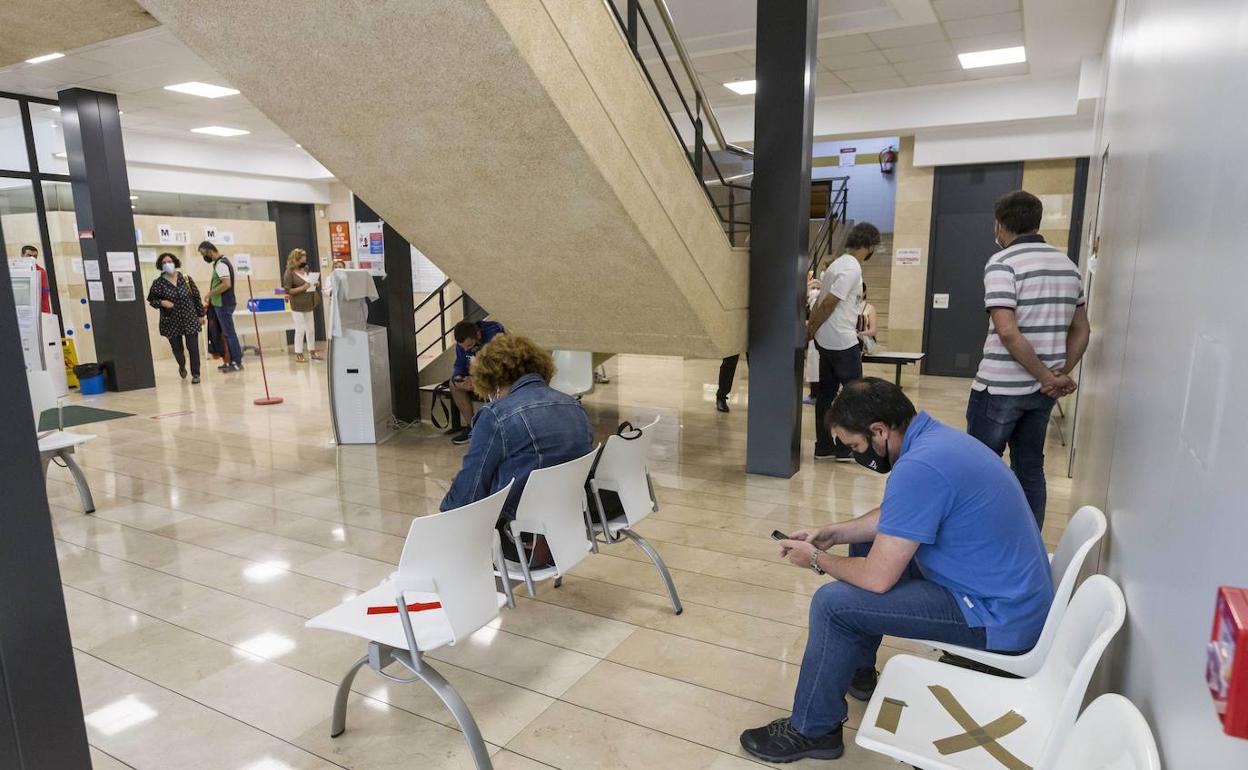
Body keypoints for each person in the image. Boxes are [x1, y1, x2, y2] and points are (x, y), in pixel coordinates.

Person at [739, 378, 1053, 763]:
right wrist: (833, 533)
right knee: (865, 543)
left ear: (879, 430)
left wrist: (817, 560)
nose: (856, 454)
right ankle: (856, 669)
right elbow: (896, 516)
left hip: (996, 617)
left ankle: (814, 729)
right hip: (1005, 595)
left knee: (832, 604)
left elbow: (877, 578)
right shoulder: (935, 442)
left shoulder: (920, 466)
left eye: (855, 446)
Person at [967, 190, 1090, 528]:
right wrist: (1057, 373)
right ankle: (1028, 538)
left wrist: (1046, 376)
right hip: (1041, 394)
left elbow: (1007, 331)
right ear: (1036, 222)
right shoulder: (1067, 266)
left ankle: (979, 536)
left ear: (999, 225)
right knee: (1030, 468)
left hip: (999, 390)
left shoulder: (1003, 263)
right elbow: (1083, 330)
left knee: (979, 467)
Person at [440, 334, 592, 567]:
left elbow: (470, 492)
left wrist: (442, 517)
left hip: (518, 542)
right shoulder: (574, 405)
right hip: (567, 532)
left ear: (491, 377)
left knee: (457, 499)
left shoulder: (496, 415)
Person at [807, 222, 881, 460]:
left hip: (827, 340)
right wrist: (811, 328)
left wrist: (814, 331)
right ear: (869, 246)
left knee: (826, 395)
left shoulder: (838, 263)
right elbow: (828, 303)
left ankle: (824, 446)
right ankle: (844, 446)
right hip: (841, 341)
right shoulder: (852, 268)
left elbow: (822, 302)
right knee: (855, 396)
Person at [146, 253, 206, 383]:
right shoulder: (158, 283)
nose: (167, 264)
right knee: (178, 349)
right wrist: (162, 302)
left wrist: (201, 315)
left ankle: (196, 374)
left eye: (170, 261)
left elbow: (196, 297)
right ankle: (182, 364)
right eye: (164, 262)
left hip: (189, 318)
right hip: (171, 321)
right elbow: (151, 300)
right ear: (160, 265)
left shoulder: (186, 279)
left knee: (193, 347)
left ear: (175, 262)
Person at [449, 318, 505, 445]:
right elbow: (460, 364)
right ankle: (472, 427)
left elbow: (498, 367)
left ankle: (499, 428)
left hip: (496, 376)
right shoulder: (463, 346)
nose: (466, 350)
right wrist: (458, 378)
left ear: (478, 335)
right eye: (462, 347)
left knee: (496, 385)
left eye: (469, 346)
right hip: (476, 376)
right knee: (453, 385)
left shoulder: (495, 337)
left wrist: (477, 379)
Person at [198, 241, 244, 372]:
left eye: (203, 253)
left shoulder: (221, 264)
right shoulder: (221, 262)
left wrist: (210, 293)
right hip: (221, 303)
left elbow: (226, 284)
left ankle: (237, 361)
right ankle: (230, 360)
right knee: (225, 334)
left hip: (223, 303)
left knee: (229, 333)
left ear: (209, 250)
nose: (203, 257)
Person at [282, 248, 322, 363]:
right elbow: (288, 290)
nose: (305, 259)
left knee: (311, 329)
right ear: (296, 259)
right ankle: (298, 353)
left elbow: (309, 283)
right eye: (303, 257)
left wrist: (315, 283)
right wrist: (302, 288)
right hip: (297, 304)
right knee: (300, 329)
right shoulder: (289, 272)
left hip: (308, 302)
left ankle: (312, 351)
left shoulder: (306, 269)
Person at [15, 244, 52, 313]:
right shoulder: (15, 270)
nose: (32, 258)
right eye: (29, 255)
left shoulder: (41, 272)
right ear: (22, 255)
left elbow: (44, 295)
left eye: (35, 256)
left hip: (38, 311)